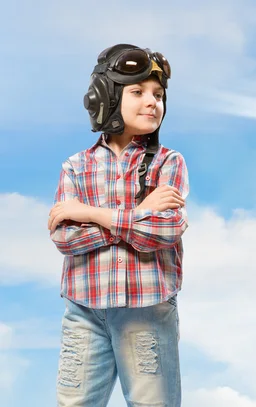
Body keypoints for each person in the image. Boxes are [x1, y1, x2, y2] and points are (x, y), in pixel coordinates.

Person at [48, 43, 189, 407]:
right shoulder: (76, 166)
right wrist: (140, 212)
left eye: (158, 95)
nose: (152, 102)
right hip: (85, 312)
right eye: (138, 92)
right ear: (106, 98)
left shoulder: (168, 163)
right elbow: (65, 236)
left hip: (147, 312)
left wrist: (92, 213)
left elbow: (166, 230)